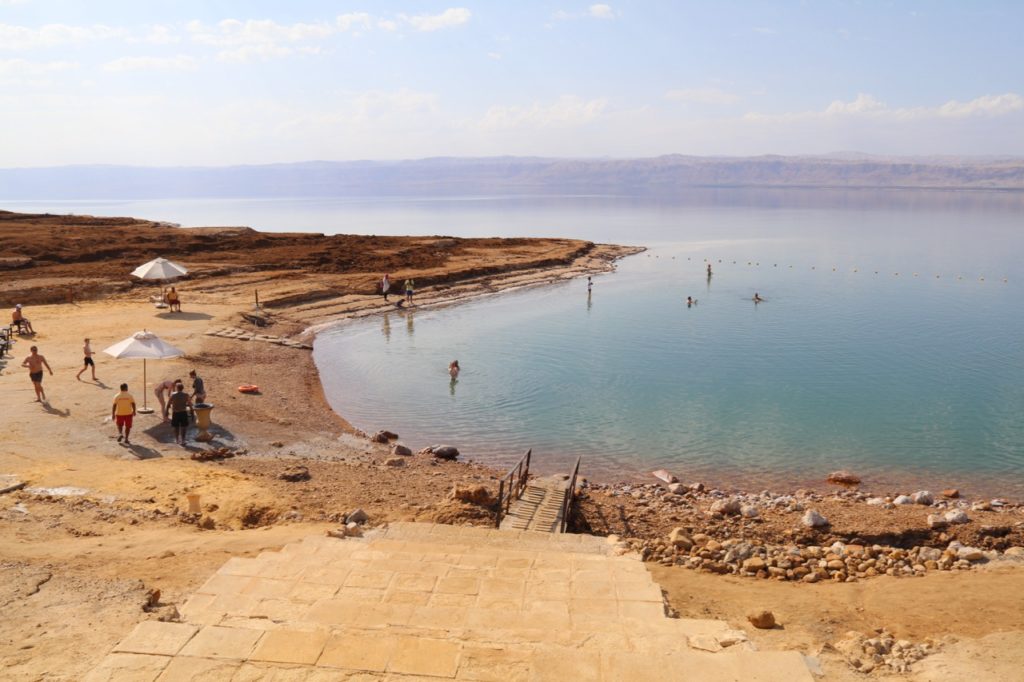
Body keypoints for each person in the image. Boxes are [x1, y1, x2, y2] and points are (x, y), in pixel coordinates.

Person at [165, 381, 192, 446]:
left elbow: (168, 404)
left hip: (175, 413)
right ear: (182, 388)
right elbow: (190, 404)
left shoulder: (173, 395)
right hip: (183, 413)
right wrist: (192, 412)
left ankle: (177, 440)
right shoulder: (186, 395)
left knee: (176, 427)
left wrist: (166, 411)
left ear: (177, 388)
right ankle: (183, 440)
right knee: (183, 427)